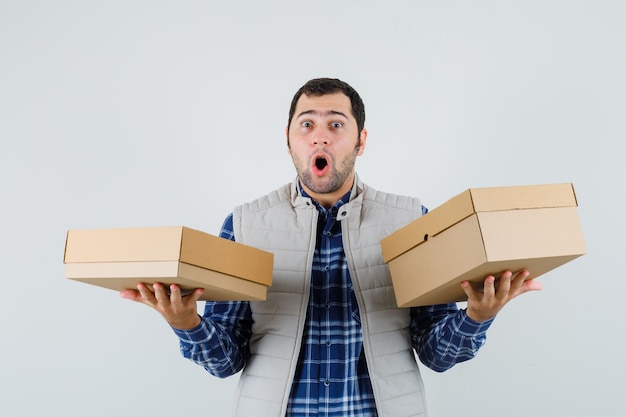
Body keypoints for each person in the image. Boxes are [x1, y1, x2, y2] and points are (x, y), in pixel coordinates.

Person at [120, 78, 542, 417]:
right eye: (307, 124)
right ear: (288, 139)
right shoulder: (244, 225)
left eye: (336, 124)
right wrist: (188, 323)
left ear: (361, 140)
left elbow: (436, 354)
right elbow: (225, 361)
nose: (320, 137)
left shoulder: (415, 222)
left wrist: (477, 316)